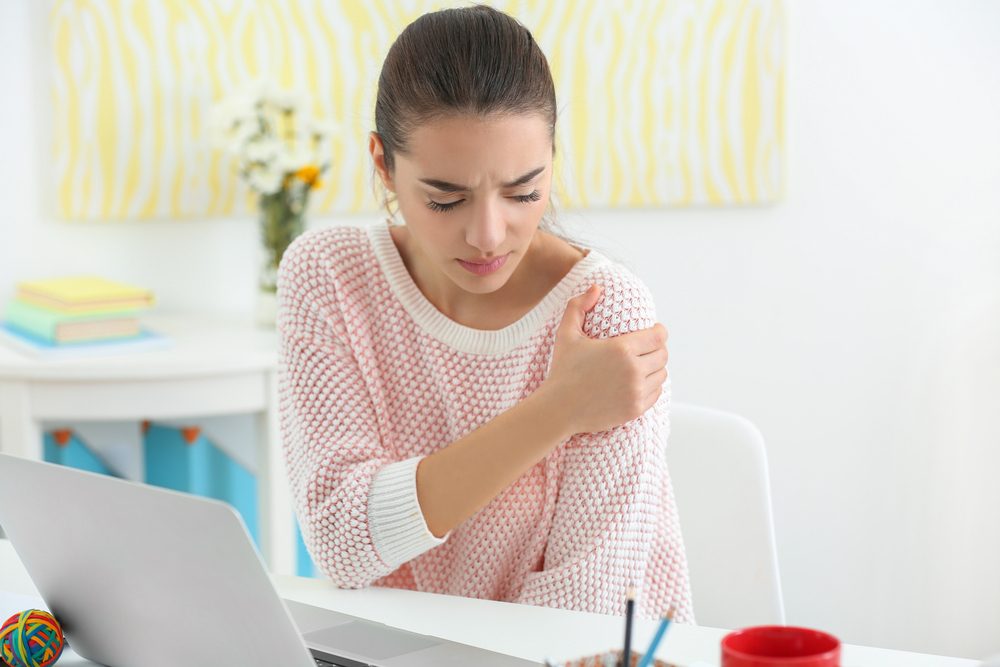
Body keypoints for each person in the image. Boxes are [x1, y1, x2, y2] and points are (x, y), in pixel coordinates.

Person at [277, 4, 693, 622]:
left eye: (524, 191)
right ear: (383, 163)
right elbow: (342, 544)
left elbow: (582, 610)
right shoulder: (329, 277)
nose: (489, 235)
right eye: (446, 199)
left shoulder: (607, 316)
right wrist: (560, 408)